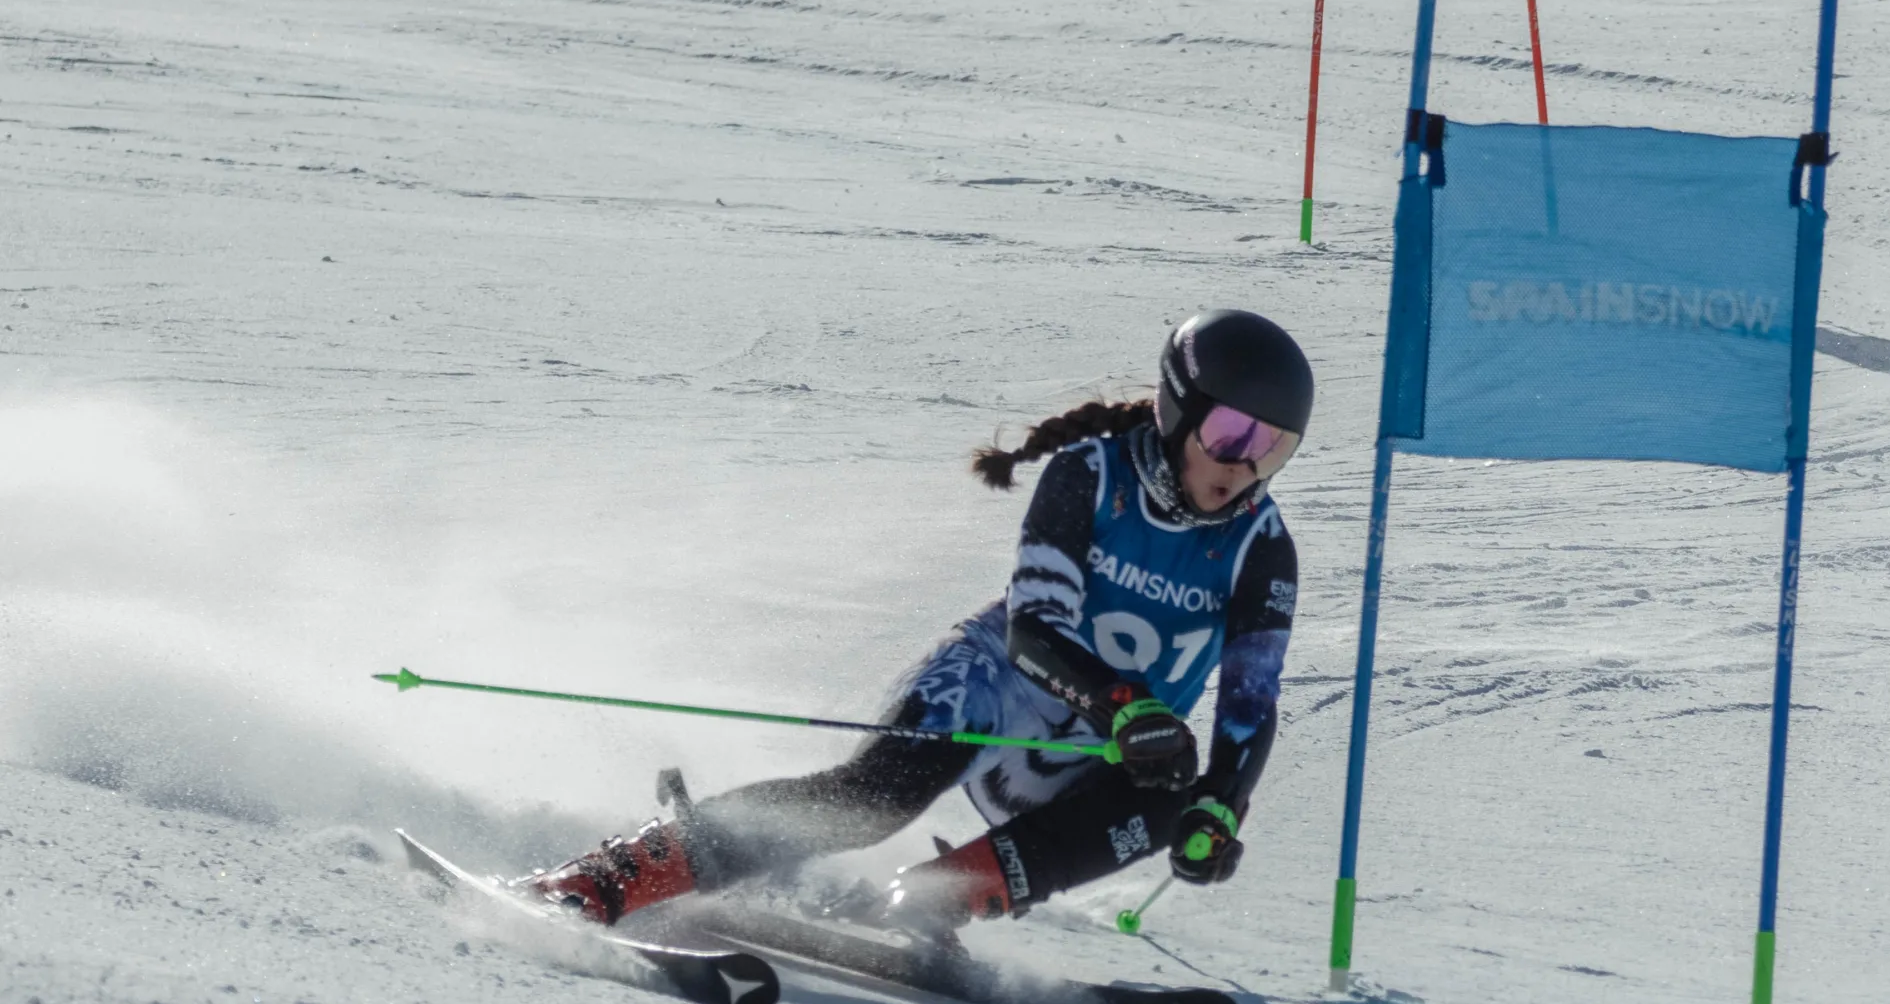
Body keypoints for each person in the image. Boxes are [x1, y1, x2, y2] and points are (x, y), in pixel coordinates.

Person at [521, 308, 1311, 943]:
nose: (1244, 465)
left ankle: (932, 900)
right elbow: (1032, 630)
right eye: (1230, 435)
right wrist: (1125, 703)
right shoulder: (1090, 474)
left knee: (1176, 794)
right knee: (869, 805)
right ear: (1179, 410)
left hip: (1090, 756)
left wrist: (1222, 806)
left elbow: (1249, 701)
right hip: (993, 690)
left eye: (1271, 447)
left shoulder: (1261, 547)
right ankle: (615, 872)